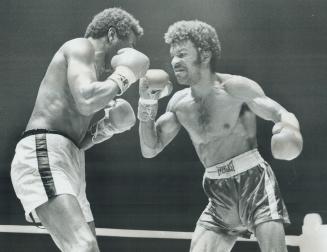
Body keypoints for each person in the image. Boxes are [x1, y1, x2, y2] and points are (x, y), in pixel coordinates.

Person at [138, 20, 303, 252]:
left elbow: (279, 113)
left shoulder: (234, 88)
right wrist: (146, 103)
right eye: (173, 55)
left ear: (204, 55)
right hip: (217, 193)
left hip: (253, 182)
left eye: (182, 54)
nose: (175, 61)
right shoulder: (178, 104)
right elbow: (150, 148)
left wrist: (288, 130)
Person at [10, 8, 149, 252]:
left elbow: (80, 139)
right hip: (44, 151)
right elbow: (86, 100)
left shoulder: (97, 80)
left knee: (88, 248)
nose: (129, 55)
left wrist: (106, 128)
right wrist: (126, 74)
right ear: (111, 35)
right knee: (83, 247)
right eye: (127, 47)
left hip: (71, 157)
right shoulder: (80, 47)